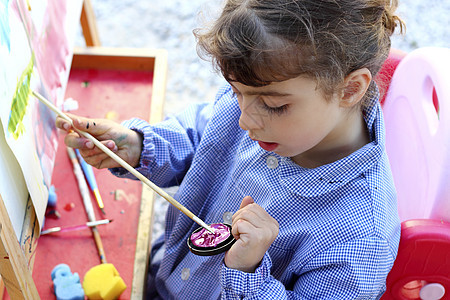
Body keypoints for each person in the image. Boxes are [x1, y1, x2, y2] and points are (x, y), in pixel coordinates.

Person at [56, 0, 405, 298]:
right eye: (236, 93)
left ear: (349, 89)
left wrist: (250, 271)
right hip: (165, 274)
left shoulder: (361, 240)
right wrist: (138, 146)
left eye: (272, 104)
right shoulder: (258, 98)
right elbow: (199, 136)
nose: (244, 120)